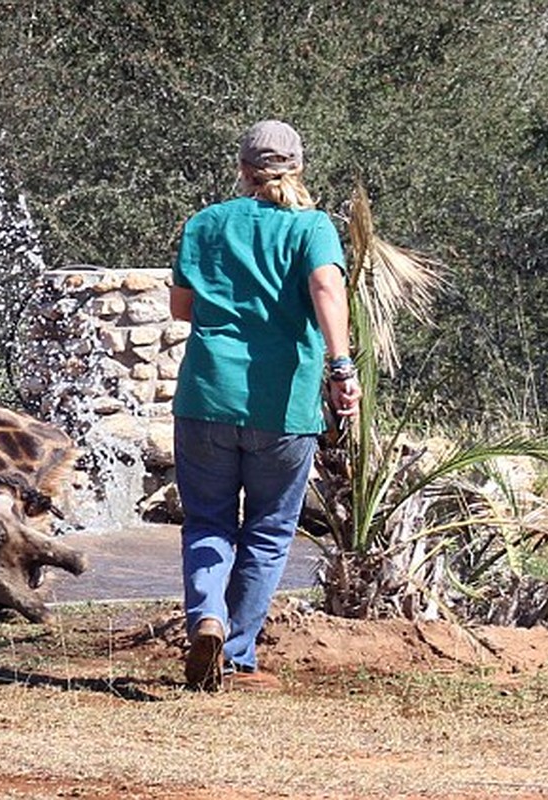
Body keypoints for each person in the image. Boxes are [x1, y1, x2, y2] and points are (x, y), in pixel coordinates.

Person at [170, 119, 361, 691]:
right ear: (297, 167)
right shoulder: (312, 228)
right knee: (270, 530)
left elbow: (183, 309)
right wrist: (342, 367)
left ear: (242, 169)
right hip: (283, 407)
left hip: (206, 396)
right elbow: (327, 289)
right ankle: (236, 649)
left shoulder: (205, 224)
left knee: (207, 521)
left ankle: (206, 614)